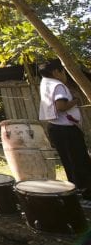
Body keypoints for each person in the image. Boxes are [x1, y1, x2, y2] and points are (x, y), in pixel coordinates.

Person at [38, 59, 91, 203]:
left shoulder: (45, 84)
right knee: (79, 161)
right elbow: (61, 106)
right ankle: (86, 194)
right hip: (66, 130)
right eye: (63, 71)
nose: (65, 75)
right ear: (56, 72)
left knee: (69, 162)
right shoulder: (58, 85)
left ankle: (76, 191)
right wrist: (76, 101)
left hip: (55, 128)